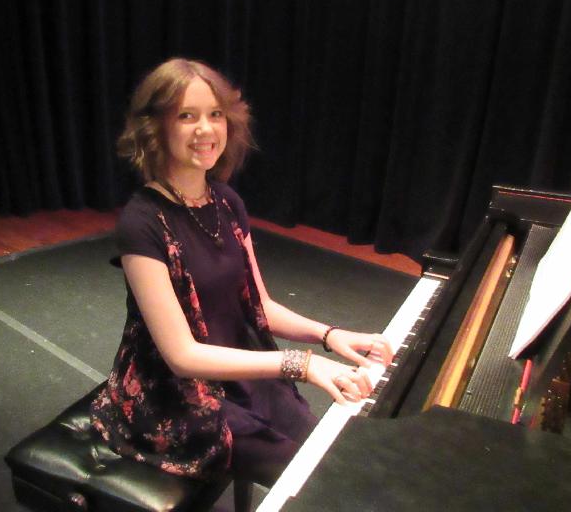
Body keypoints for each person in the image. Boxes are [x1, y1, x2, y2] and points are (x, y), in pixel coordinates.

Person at [89, 58, 393, 487]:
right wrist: (301, 364)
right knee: (312, 480)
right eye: (186, 116)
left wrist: (329, 335)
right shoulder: (141, 223)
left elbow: (260, 305)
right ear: (155, 128)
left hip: (239, 370)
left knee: (331, 455)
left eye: (215, 114)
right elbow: (181, 356)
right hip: (173, 396)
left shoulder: (226, 202)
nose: (206, 129)